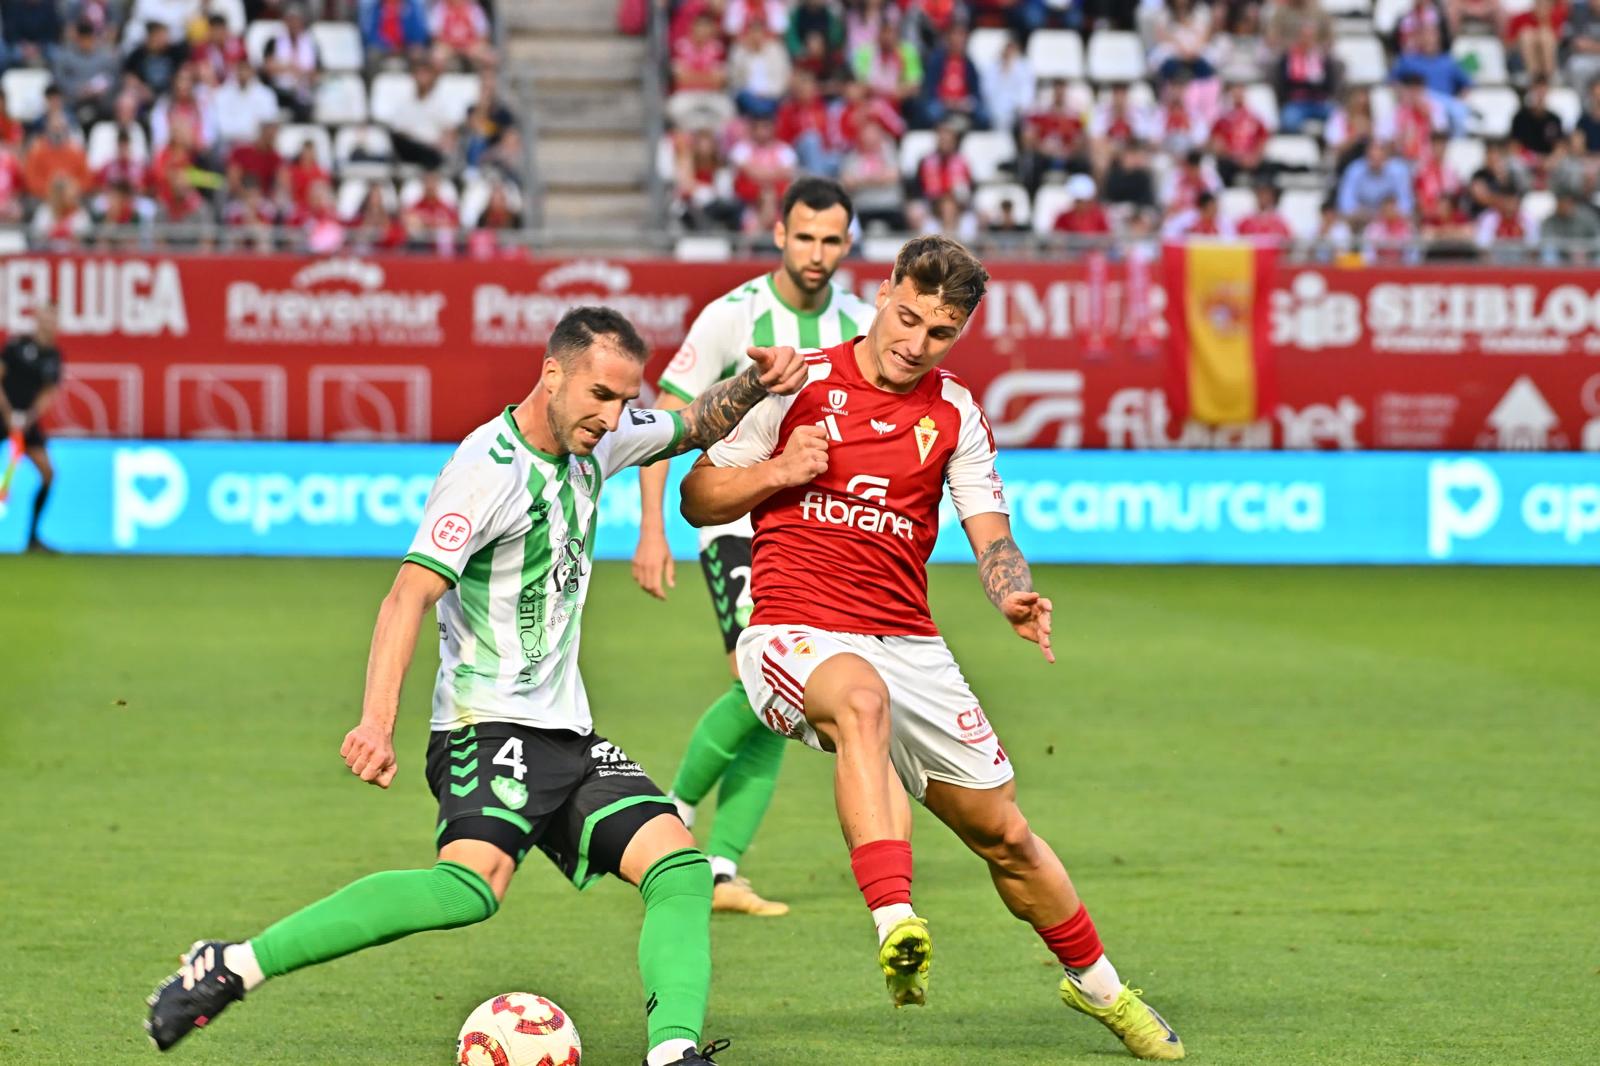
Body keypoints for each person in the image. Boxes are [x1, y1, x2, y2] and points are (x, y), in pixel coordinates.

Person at [143, 307, 809, 1066]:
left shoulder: (602, 439)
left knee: (679, 868)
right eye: (598, 394)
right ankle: (232, 966)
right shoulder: (485, 470)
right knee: (470, 889)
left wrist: (757, 383)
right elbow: (407, 595)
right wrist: (376, 722)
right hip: (487, 727)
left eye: (624, 399)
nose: (611, 415)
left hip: (569, 733)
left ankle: (673, 1052)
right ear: (551, 373)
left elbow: (689, 425)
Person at [677, 236, 1186, 1060]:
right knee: (860, 702)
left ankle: (1100, 988)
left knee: (1005, 833)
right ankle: (896, 923)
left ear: (961, 333)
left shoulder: (954, 413)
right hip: (793, 629)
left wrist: (1010, 592)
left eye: (940, 332)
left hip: (907, 641)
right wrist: (777, 472)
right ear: (883, 294)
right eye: (908, 318)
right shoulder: (798, 382)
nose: (916, 343)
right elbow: (698, 497)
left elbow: (993, 535)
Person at [632, 177, 876, 917]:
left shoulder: (860, 323)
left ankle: (721, 870)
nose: (817, 253)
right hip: (738, 522)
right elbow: (667, 420)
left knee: (781, 700)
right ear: (779, 235)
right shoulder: (731, 317)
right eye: (805, 237)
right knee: (758, 680)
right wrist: (652, 529)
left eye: (831, 240)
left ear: (848, 243)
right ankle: (669, 814)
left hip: (818, 534)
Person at [0, 303, 62, 551]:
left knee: (48, 473)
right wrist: (7, 413)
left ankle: (33, 537)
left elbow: (48, 392)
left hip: (26, 421)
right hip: (2, 413)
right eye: (45, 318)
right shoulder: (17, 346)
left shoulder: (53, 356)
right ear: (37, 319)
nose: (48, 324)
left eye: (53, 319)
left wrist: (28, 417)